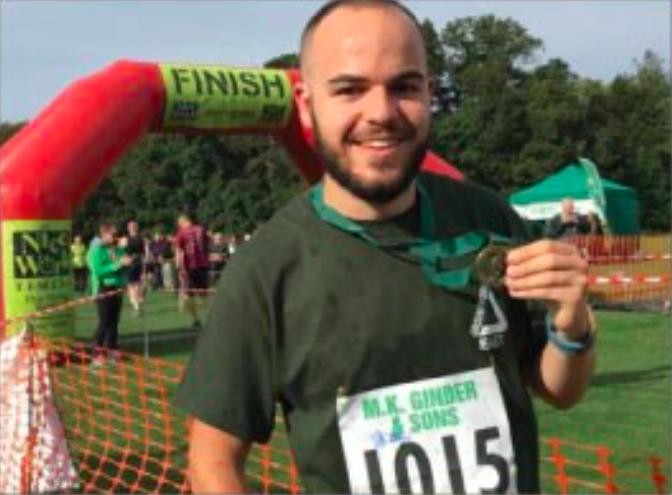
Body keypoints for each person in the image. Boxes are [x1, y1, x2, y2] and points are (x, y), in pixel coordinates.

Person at [175, 1, 596, 493]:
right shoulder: (265, 269)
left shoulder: (490, 219)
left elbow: (560, 389)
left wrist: (572, 323)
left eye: (404, 87)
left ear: (428, 94)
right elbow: (212, 462)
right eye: (350, 89)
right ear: (308, 107)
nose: (380, 113)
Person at [87, 223, 132, 366]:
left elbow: (123, 263)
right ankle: (96, 355)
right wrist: (119, 264)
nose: (115, 236)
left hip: (117, 288)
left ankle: (112, 351)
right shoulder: (96, 250)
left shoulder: (117, 249)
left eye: (115, 234)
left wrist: (127, 263)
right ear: (104, 234)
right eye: (112, 234)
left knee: (114, 322)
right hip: (103, 289)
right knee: (104, 322)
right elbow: (98, 270)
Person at [174, 212, 210, 330]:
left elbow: (179, 252)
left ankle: (196, 320)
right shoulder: (201, 230)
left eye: (179, 223)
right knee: (203, 293)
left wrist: (179, 267)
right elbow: (207, 245)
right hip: (203, 265)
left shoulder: (181, 233)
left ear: (183, 221)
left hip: (189, 267)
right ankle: (212, 317)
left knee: (188, 295)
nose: (178, 225)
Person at [124, 220, 147, 316]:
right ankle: (137, 306)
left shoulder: (140, 238)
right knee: (133, 286)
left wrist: (144, 265)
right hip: (130, 263)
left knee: (134, 285)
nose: (132, 228)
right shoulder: (126, 239)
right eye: (131, 226)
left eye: (133, 226)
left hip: (136, 263)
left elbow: (144, 253)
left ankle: (137, 306)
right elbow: (122, 252)